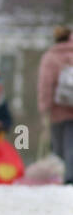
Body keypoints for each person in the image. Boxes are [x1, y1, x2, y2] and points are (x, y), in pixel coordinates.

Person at [38, 25, 73, 185]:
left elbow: (45, 84)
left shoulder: (50, 57)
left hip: (58, 110)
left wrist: (44, 108)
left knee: (59, 146)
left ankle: (62, 177)